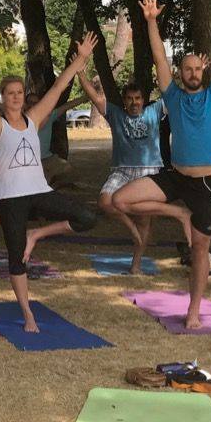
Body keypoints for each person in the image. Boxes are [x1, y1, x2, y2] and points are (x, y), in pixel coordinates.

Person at [113, 0, 211, 329]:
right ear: (180, 73)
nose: (193, 73)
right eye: (188, 68)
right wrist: (152, 21)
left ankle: (194, 311)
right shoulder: (173, 96)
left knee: (199, 250)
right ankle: (177, 211)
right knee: (121, 200)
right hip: (175, 176)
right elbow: (158, 58)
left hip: (208, 185)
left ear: (204, 72)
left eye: (198, 68)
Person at [0, 33, 100, 331]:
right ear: (3, 96)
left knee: (87, 216)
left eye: (19, 92)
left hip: (39, 192)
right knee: (16, 260)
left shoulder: (35, 118)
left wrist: (81, 59)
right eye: (10, 93)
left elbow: (58, 87)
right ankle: (27, 313)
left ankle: (36, 234)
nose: (16, 96)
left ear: (24, 95)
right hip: (11, 199)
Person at [75, 73, 182, 274]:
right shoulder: (116, 114)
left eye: (138, 98)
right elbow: (95, 97)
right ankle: (131, 228)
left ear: (143, 100)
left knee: (144, 219)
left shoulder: (155, 110)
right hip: (122, 170)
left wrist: (183, 76)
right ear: (124, 101)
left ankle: (136, 265)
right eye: (130, 99)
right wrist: (80, 72)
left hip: (149, 171)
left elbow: (174, 94)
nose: (134, 103)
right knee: (105, 202)